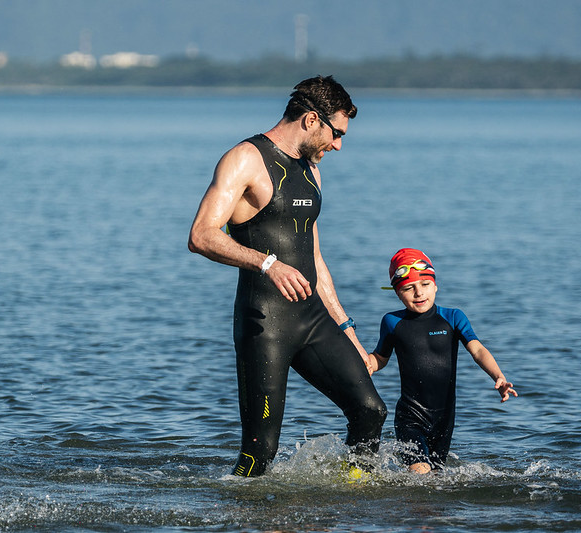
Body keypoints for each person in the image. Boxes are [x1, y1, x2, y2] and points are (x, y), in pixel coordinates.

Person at [188, 75, 386, 477]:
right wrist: (268, 264)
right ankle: (243, 513)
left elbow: (314, 257)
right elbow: (201, 235)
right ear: (312, 119)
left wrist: (347, 329)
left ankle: (356, 493)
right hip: (265, 324)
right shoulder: (244, 159)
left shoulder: (311, 170)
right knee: (261, 451)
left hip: (313, 320)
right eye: (337, 133)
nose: (338, 145)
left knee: (370, 412)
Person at [366, 248, 517, 474]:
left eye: (425, 285)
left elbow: (477, 350)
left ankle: (405, 508)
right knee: (420, 472)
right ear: (397, 293)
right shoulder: (392, 322)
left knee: (435, 481)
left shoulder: (453, 317)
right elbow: (379, 358)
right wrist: (364, 365)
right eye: (409, 288)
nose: (419, 293)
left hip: (444, 418)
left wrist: (498, 376)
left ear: (435, 285)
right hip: (410, 415)